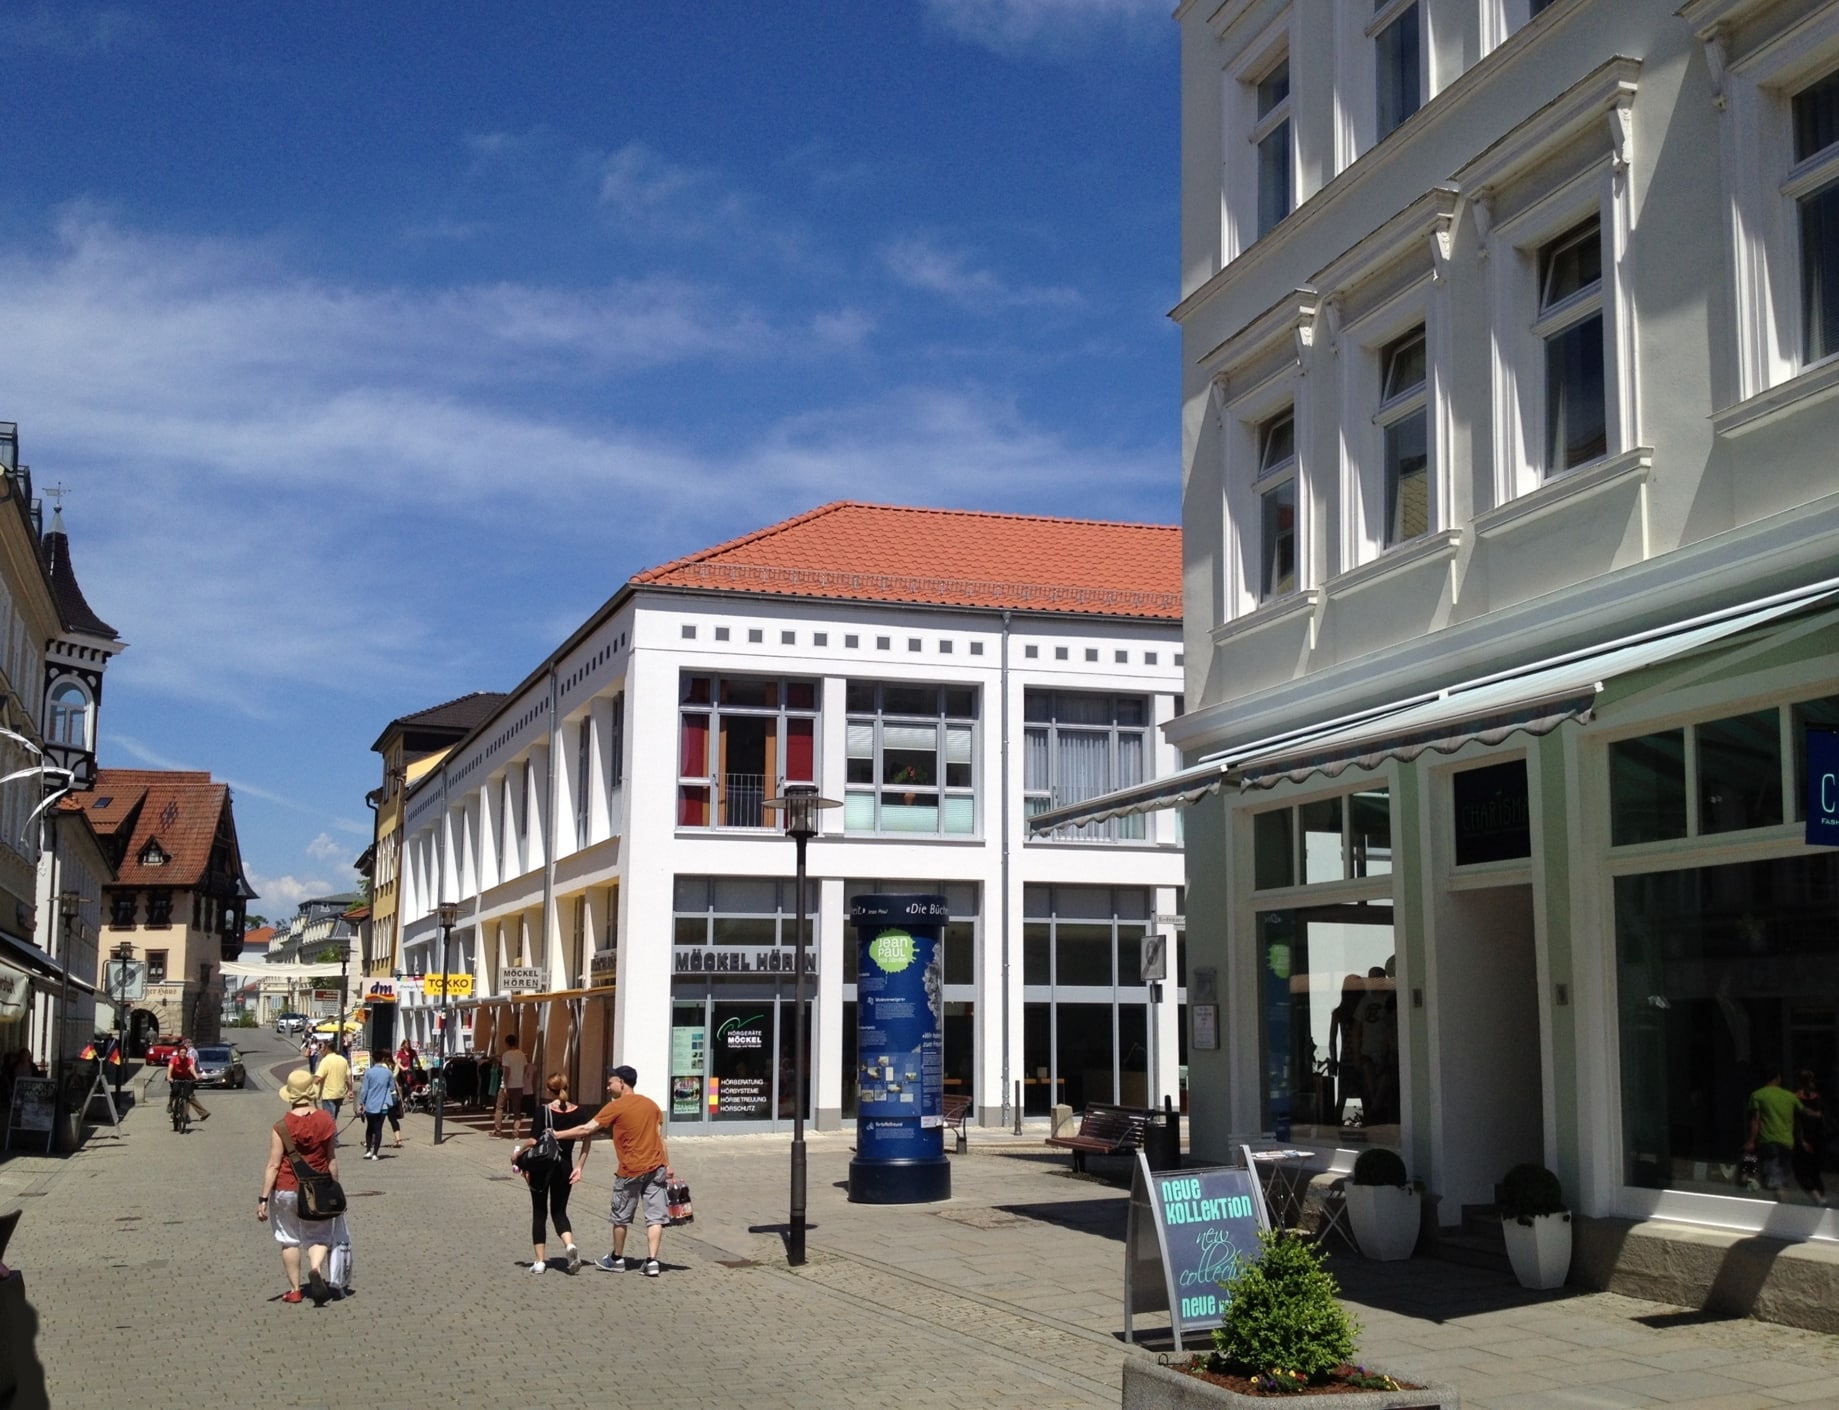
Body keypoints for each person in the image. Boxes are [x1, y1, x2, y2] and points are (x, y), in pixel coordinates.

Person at [554, 1064, 670, 1277]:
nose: (607, 1087)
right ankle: (652, 1261)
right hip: (656, 1167)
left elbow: (587, 1128)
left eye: (610, 1083)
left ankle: (617, 1258)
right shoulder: (652, 1105)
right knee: (655, 1217)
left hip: (631, 1169)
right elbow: (659, 1137)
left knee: (621, 1216)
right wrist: (667, 1165)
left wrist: (557, 1134)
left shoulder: (616, 1106)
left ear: (622, 1083)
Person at [258, 1070, 344, 1305]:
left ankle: (295, 1290)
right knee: (319, 1235)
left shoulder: (281, 1126)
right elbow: (331, 1159)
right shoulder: (326, 1120)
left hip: (286, 1188)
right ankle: (315, 1268)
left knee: (289, 1239)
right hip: (318, 1188)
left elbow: (274, 1165)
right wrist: (334, 1187)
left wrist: (263, 1199)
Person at [515, 1072, 589, 1274]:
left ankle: (539, 1262)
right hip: (565, 1166)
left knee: (539, 1212)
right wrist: (580, 1166)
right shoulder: (579, 1112)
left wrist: (517, 1154)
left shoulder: (543, 1110)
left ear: (549, 1090)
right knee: (559, 1211)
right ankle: (569, 1245)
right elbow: (586, 1138)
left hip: (542, 1167)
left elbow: (533, 1141)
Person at [1744, 1066, 1805, 1198]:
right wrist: (1802, 1139)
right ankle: (1781, 1199)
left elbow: (1756, 1120)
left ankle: (1774, 1197)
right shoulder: (1790, 1096)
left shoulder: (1758, 1095)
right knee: (1782, 1175)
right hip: (1787, 1142)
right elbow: (1799, 1118)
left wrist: (1751, 1140)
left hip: (1769, 1141)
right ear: (1778, 1078)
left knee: (1773, 1177)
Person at [1792, 1069, 1827, 1205]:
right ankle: (1820, 1196)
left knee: (1802, 1171)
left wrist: (1801, 1140)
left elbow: (1797, 1122)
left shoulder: (1797, 1098)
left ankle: (1818, 1197)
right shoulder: (1817, 1098)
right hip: (1816, 1137)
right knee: (1813, 1170)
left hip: (1807, 1138)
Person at [356, 1050, 396, 1160]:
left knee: (370, 1127)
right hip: (383, 1104)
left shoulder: (369, 1072)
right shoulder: (388, 1073)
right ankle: (375, 1153)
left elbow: (364, 1090)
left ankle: (368, 1150)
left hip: (370, 1104)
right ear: (383, 1059)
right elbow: (392, 1088)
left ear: (373, 1059)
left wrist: (361, 1103)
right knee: (378, 1128)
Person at [494, 1034, 528, 1140]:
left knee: (499, 1108)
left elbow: (506, 1071)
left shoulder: (506, 1055)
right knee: (517, 1109)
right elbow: (525, 1068)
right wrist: (520, 1077)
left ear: (507, 1043)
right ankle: (516, 1133)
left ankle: (498, 1132)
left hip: (507, 1085)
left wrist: (505, 1085)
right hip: (519, 1085)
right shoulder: (522, 1055)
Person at [166, 1041, 210, 1124]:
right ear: (178, 1053)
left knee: (188, 1096)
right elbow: (170, 1069)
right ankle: (170, 1104)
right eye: (181, 1053)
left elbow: (192, 1069)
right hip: (175, 1078)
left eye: (184, 1053)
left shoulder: (189, 1060)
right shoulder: (174, 1059)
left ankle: (185, 1115)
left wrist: (196, 1077)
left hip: (185, 1078)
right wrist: (169, 1077)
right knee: (174, 1092)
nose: (183, 1054)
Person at [313, 1040, 351, 1119]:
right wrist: (350, 1090)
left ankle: (332, 1128)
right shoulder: (342, 1059)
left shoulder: (326, 1060)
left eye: (322, 1048)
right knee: (334, 1118)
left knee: (329, 1120)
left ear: (327, 1049)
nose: (320, 1050)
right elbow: (348, 1077)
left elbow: (318, 1077)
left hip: (328, 1095)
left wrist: (310, 1088)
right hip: (340, 1094)